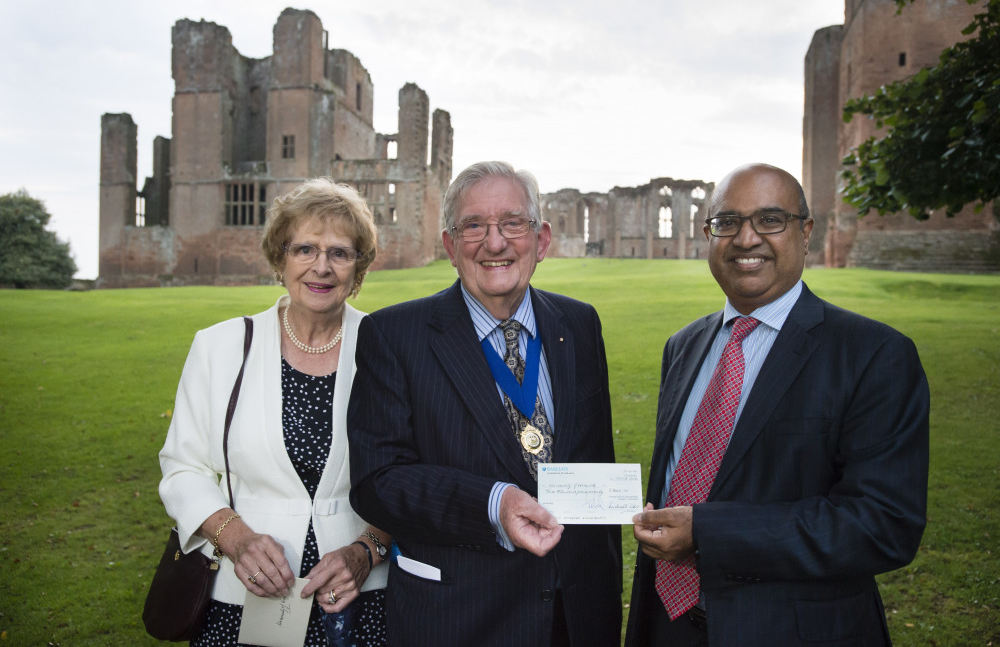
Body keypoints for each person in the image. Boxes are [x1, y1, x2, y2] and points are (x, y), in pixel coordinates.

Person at [624, 163, 930, 646]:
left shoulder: (872, 353)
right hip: (668, 625)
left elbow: (883, 525)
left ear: (805, 232)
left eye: (770, 220)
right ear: (709, 235)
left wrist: (706, 532)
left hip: (791, 630)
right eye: (726, 222)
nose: (746, 239)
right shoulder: (683, 346)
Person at [346, 161, 622, 647]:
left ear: (541, 240)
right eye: (474, 226)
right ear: (451, 246)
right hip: (459, 618)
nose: (495, 243)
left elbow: (593, 457)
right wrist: (493, 503)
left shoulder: (580, 324)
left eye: (513, 223)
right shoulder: (394, 335)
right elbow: (377, 483)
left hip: (572, 616)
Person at [158, 178, 390, 646]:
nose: (320, 267)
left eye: (340, 253)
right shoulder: (219, 346)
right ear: (279, 257)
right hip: (242, 594)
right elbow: (182, 468)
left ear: (358, 267)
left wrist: (368, 549)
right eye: (304, 249)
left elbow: (413, 471)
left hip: (358, 597)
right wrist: (237, 538)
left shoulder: (389, 346)